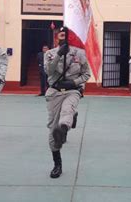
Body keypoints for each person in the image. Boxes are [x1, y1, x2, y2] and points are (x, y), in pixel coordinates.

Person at [44, 26, 91, 179]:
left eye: (66, 35)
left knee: (67, 110)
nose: (63, 38)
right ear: (57, 37)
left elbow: (86, 74)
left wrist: (75, 82)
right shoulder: (50, 54)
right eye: (61, 35)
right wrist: (58, 55)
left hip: (72, 91)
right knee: (52, 128)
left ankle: (63, 129)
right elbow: (49, 72)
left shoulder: (80, 53)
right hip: (55, 92)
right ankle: (57, 163)